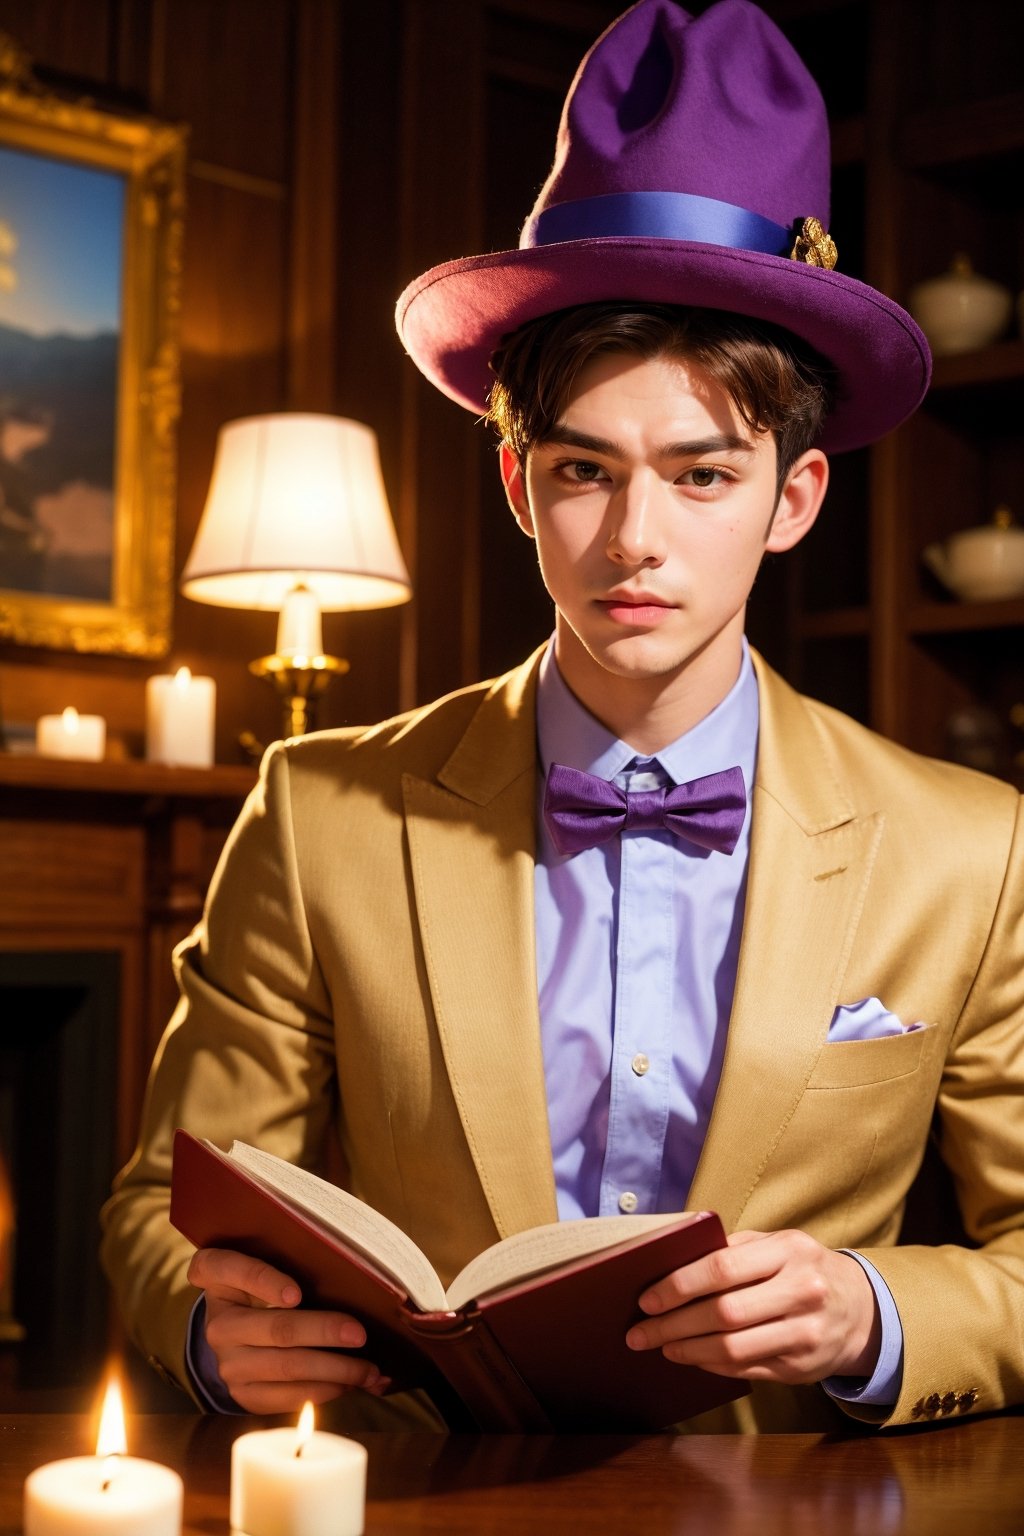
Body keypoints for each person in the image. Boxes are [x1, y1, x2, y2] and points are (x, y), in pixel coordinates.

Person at [101, 0, 1024, 1434]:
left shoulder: (975, 848)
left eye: (703, 476)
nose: (633, 540)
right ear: (521, 487)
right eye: (586, 470)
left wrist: (876, 1309)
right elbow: (159, 1209)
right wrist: (218, 1334)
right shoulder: (318, 807)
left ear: (794, 499)